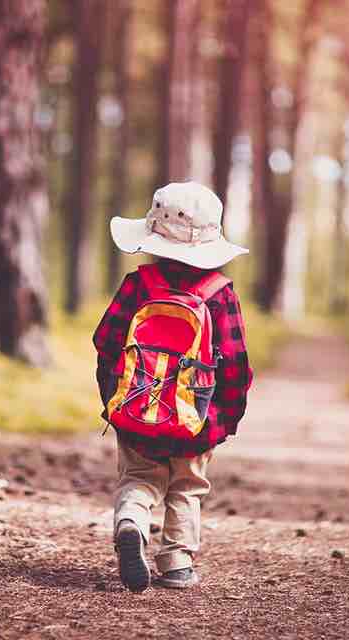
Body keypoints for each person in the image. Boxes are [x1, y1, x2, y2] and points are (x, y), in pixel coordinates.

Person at [93, 181, 253, 592]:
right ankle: (177, 562)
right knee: (186, 487)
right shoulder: (220, 295)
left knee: (139, 478)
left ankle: (131, 520)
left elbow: (106, 343)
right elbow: (235, 367)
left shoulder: (138, 285)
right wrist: (221, 421)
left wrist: (114, 401)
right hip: (195, 416)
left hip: (136, 408)